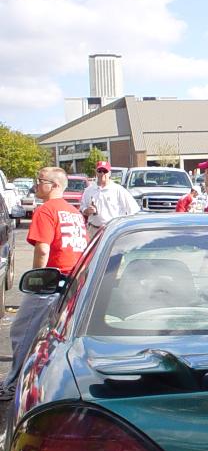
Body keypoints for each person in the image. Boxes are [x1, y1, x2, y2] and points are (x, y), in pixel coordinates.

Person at [0, 167, 88, 401]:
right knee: (53, 336)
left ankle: (14, 384)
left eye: (40, 180)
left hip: (51, 282)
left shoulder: (46, 210)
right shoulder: (73, 212)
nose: (36, 185)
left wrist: (37, 279)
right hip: (73, 282)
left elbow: (43, 249)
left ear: (55, 185)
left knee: (23, 332)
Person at [80, 160, 139, 238]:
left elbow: (133, 210)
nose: (102, 173)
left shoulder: (118, 189)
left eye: (105, 171)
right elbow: (82, 208)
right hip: (93, 230)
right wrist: (87, 211)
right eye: (99, 171)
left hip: (111, 231)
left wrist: (124, 227)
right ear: (96, 172)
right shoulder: (89, 190)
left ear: (109, 173)